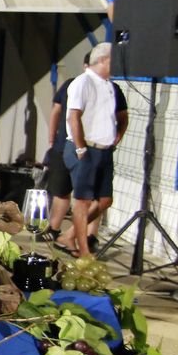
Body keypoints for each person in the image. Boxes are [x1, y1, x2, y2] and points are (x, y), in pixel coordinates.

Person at [63, 43, 126, 258]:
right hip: (85, 148)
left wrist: (114, 140)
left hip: (104, 150)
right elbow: (73, 116)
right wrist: (81, 149)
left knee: (105, 200)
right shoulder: (83, 82)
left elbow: (120, 117)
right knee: (83, 200)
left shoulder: (109, 85)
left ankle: (70, 235)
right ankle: (83, 251)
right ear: (103, 60)